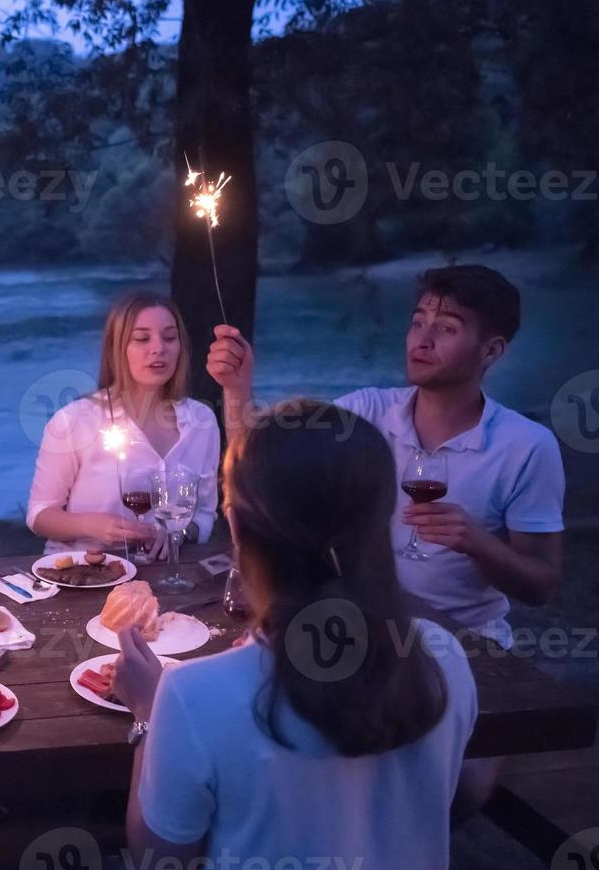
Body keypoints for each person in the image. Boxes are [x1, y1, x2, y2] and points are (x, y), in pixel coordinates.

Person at [108, 399, 488, 870]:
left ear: (235, 526)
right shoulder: (442, 657)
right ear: (384, 518)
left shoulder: (196, 695)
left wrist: (147, 716)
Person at [207, 265, 564, 647]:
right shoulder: (367, 413)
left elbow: (540, 585)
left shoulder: (526, 446)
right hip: (363, 633)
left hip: (463, 644)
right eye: (417, 322)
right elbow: (264, 465)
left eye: (446, 328)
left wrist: (478, 543)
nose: (421, 340)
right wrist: (236, 387)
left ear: (491, 350)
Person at [26, 290, 219, 558]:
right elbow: (39, 515)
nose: (158, 348)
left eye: (170, 337)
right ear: (117, 348)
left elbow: (205, 515)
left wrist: (179, 533)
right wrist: (92, 525)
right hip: (84, 574)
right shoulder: (74, 421)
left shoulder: (202, 422)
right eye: (142, 338)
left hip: (166, 576)